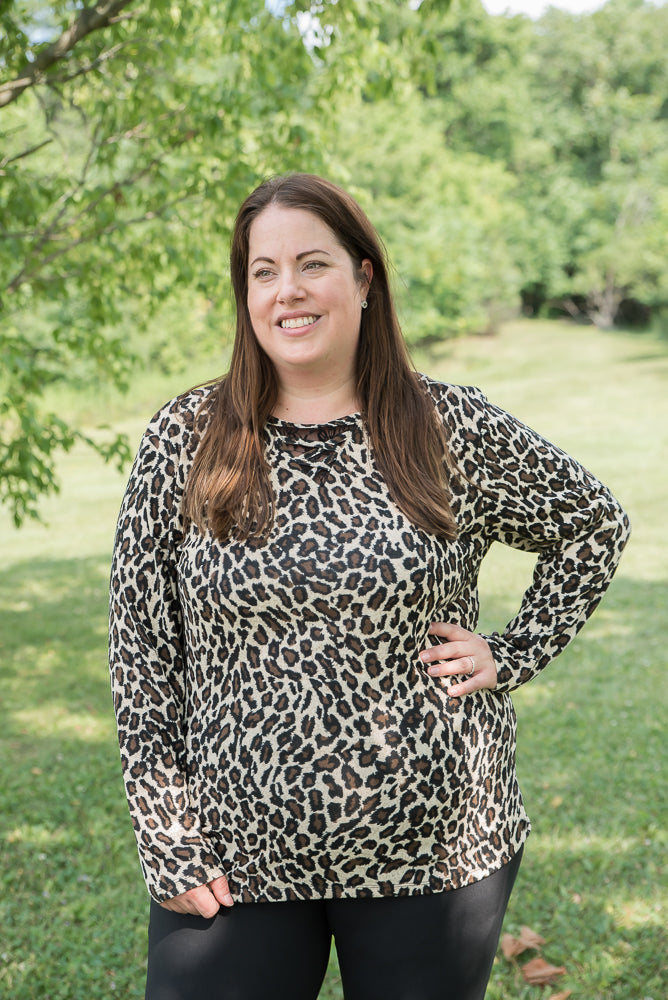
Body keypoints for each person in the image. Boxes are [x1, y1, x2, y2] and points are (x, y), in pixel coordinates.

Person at [109, 172, 630, 1000]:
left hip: (434, 841)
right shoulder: (188, 436)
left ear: (362, 276)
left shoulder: (447, 425)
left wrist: (514, 651)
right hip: (234, 850)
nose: (289, 291)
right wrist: (165, 828)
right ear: (245, 291)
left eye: (312, 264)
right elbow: (142, 650)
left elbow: (593, 524)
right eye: (264, 270)